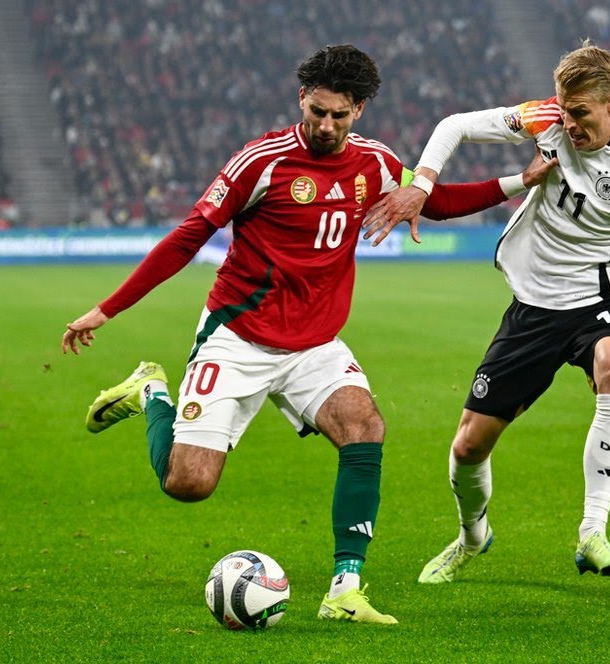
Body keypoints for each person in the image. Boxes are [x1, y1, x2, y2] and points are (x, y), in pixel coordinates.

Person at [61, 44, 553, 625]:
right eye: (316, 111)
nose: (324, 125)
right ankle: (151, 392)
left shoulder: (373, 162)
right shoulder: (261, 161)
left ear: (359, 110)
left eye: (338, 115)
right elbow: (189, 236)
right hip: (238, 337)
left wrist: (518, 180)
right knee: (187, 484)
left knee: (365, 427)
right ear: (302, 99)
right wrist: (106, 310)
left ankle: (344, 589)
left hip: (315, 345)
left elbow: (434, 200)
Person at [363, 40, 610, 583]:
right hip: (533, 308)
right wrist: (422, 183)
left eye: (579, 112)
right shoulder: (547, 118)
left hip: (602, 302)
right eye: (563, 108)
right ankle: (472, 536)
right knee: (468, 446)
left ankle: (592, 532)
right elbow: (454, 125)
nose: (567, 123)